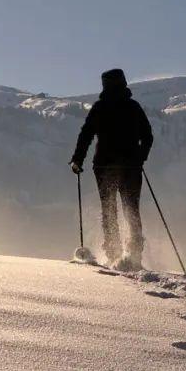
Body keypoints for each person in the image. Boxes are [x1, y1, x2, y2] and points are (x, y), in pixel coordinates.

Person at [70, 68, 153, 268]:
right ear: (123, 83)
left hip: (104, 166)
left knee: (109, 210)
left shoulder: (100, 108)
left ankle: (114, 253)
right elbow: (148, 136)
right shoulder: (133, 107)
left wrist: (77, 160)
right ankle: (134, 256)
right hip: (131, 167)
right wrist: (140, 157)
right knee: (131, 209)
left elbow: (86, 135)